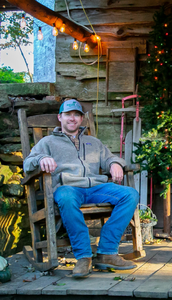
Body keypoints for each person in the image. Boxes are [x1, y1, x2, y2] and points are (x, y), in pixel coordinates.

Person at [23, 99, 139, 278]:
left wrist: (115, 163)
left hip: (95, 188)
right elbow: (28, 163)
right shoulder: (48, 142)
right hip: (68, 188)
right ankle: (84, 257)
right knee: (67, 198)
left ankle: (107, 252)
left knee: (130, 194)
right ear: (60, 117)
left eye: (76, 115)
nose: (72, 118)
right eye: (68, 114)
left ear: (81, 119)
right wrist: (41, 159)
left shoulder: (93, 142)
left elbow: (109, 158)